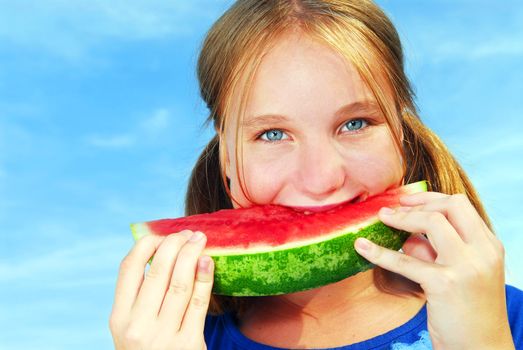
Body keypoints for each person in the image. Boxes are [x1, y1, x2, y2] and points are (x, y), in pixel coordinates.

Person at [109, 1, 523, 349]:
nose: (322, 178)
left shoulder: (506, 320)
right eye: (272, 134)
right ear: (228, 160)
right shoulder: (174, 338)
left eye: (356, 123)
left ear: (400, 132)